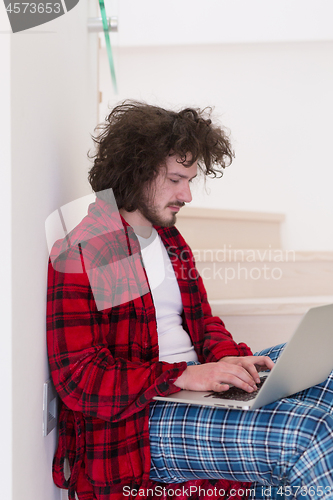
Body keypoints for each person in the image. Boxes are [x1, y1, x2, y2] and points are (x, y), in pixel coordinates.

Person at [47, 102, 333, 500]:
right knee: (312, 433)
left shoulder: (167, 238)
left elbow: (203, 322)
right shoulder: (93, 249)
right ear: (137, 172)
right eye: (176, 179)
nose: (187, 195)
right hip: (143, 420)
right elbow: (81, 378)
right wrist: (183, 376)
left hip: (195, 388)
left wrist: (228, 357)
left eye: (191, 180)